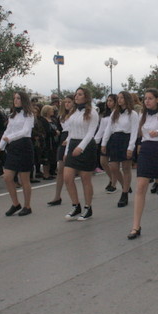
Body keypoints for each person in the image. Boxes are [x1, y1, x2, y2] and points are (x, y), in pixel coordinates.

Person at [128, 88, 158, 239]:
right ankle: (136, 226)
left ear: (157, 100)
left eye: (150, 98)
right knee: (141, 186)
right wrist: (132, 147)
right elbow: (136, 132)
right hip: (146, 150)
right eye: (145, 98)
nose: (147, 101)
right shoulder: (142, 115)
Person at [0, 92, 35, 216]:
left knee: (24, 179)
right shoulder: (12, 115)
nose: (16, 100)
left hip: (24, 145)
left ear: (24, 100)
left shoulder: (29, 114)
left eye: (18, 98)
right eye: (14, 98)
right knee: (7, 177)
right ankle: (15, 204)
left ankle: (27, 206)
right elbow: (7, 131)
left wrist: (10, 138)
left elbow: (26, 131)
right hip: (13, 147)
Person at [63, 88, 99, 221]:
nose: (76, 97)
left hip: (86, 146)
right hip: (73, 144)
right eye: (76, 94)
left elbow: (91, 132)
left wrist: (81, 147)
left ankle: (88, 207)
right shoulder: (73, 112)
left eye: (79, 94)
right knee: (67, 177)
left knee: (85, 179)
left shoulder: (92, 112)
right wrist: (67, 151)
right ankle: (75, 205)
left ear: (86, 97)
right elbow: (70, 133)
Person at [101, 91, 140, 208]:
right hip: (115, 139)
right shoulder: (114, 113)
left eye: (122, 98)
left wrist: (131, 147)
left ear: (127, 99)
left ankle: (124, 194)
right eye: (118, 98)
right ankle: (125, 186)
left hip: (126, 139)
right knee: (113, 167)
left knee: (126, 168)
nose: (119, 100)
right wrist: (104, 143)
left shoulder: (133, 114)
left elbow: (134, 131)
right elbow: (108, 128)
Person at [47, 95, 74, 206]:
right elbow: (60, 129)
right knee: (60, 169)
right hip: (63, 139)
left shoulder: (77, 115)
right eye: (65, 102)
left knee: (77, 170)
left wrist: (68, 140)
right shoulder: (61, 115)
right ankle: (57, 196)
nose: (67, 104)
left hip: (73, 138)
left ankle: (84, 193)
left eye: (69, 102)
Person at [95, 95, 116, 192]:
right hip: (105, 140)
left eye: (111, 101)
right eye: (107, 101)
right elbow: (101, 130)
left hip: (115, 139)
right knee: (103, 162)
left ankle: (114, 184)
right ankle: (112, 179)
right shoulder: (105, 115)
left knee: (114, 164)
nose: (108, 103)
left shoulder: (118, 114)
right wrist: (95, 141)